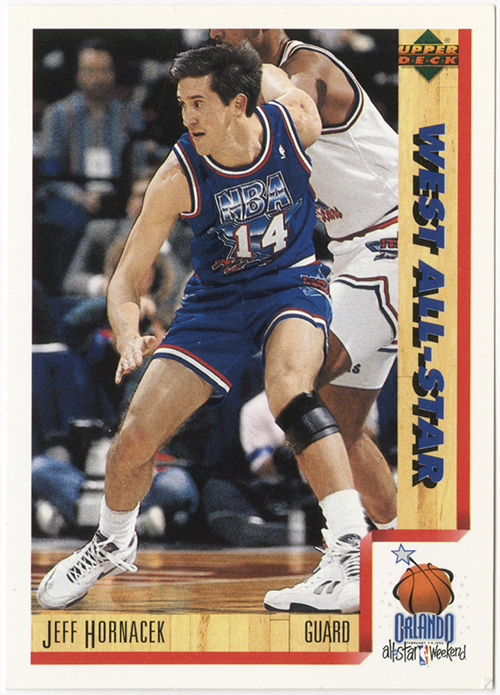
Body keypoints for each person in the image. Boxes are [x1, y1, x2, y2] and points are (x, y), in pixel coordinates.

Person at [37, 42, 369, 613]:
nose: (187, 117)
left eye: (199, 103)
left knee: (290, 391)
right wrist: (126, 335)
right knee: (133, 438)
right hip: (215, 303)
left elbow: (278, 76)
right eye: (182, 103)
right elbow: (125, 280)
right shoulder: (179, 173)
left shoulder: (295, 124)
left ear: (238, 104)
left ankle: (349, 551)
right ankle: (112, 541)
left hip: (289, 283)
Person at [210, 28, 398, 611]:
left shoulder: (307, 67)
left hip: (397, 238)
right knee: (338, 425)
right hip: (353, 250)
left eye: (225, 18)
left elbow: (297, 103)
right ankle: (400, 559)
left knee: (294, 383)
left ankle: (348, 558)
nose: (215, 31)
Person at [35, 38, 146, 289]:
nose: (98, 78)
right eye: (90, 71)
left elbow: (139, 169)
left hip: (117, 197)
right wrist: (79, 196)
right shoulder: (58, 115)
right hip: (74, 200)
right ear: (78, 74)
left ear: (114, 73)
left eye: (104, 70)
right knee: (64, 217)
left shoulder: (129, 114)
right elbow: (49, 174)